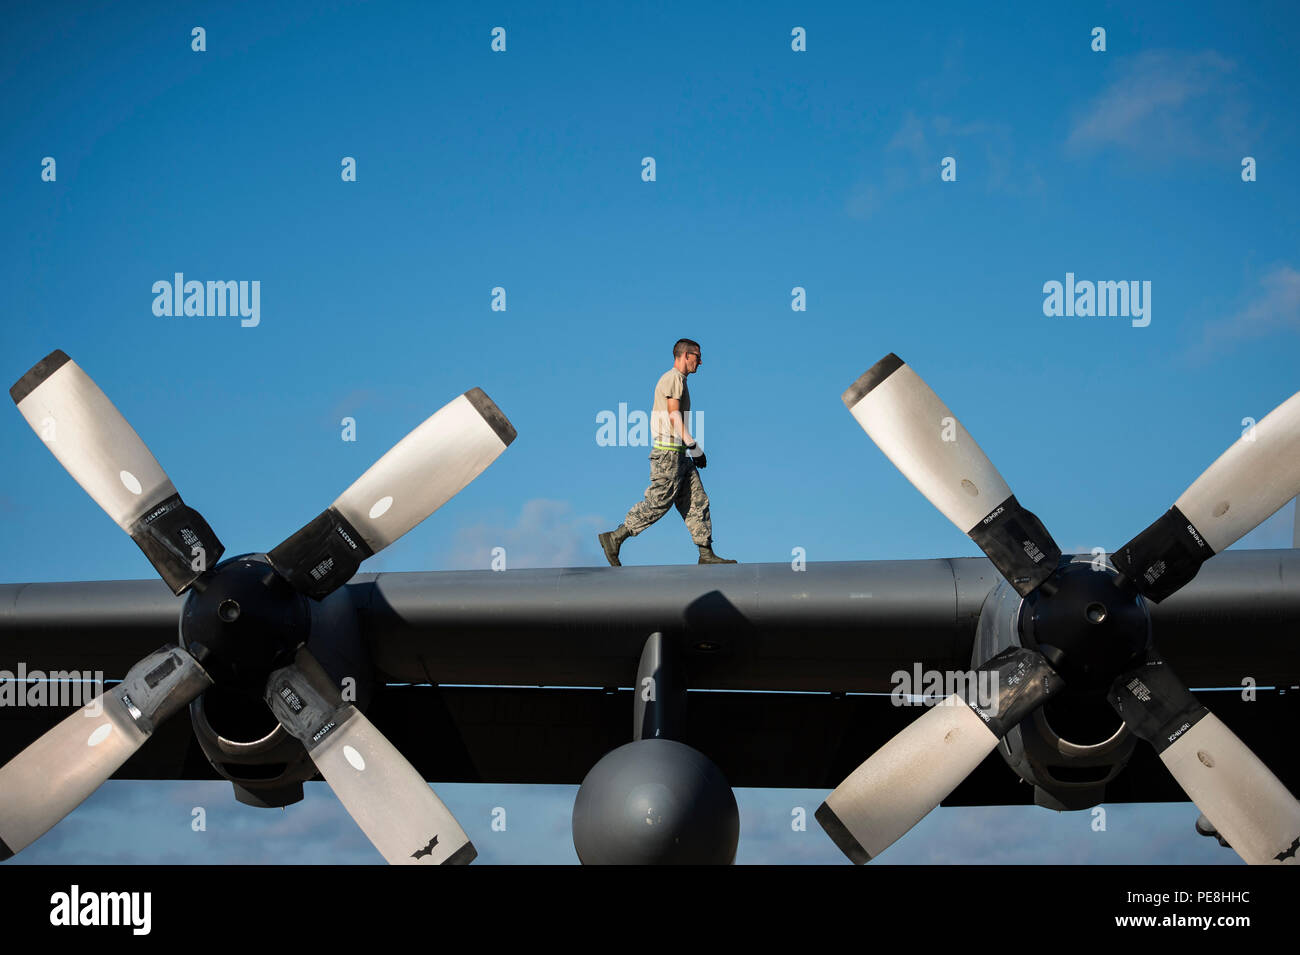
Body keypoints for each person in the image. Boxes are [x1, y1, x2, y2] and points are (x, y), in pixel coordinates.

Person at [598, 339, 737, 566]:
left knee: (697, 500)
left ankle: (705, 553)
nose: (700, 362)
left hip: (679, 453)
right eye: (697, 357)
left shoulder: (679, 380)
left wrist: (689, 450)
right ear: (686, 355)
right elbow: (673, 415)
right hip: (669, 454)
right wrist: (694, 446)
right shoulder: (673, 379)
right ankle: (615, 537)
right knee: (659, 501)